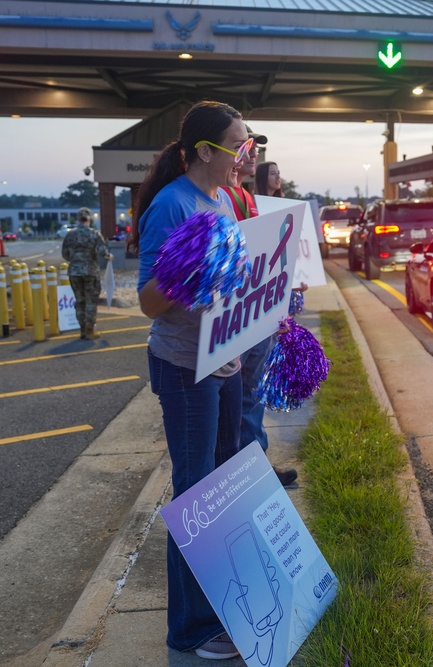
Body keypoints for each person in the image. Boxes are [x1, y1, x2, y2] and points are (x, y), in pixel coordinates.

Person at [133, 100, 251, 661]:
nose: (245, 158)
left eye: (250, 147)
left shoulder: (223, 199)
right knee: (195, 496)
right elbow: (148, 303)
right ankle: (191, 630)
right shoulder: (170, 205)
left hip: (224, 362)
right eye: (239, 147)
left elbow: (226, 279)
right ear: (206, 151)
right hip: (185, 369)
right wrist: (186, 268)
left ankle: (223, 605)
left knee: (223, 487)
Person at [222, 136, 299, 489]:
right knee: (238, 401)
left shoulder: (246, 197)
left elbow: (262, 256)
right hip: (234, 318)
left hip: (254, 312)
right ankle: (245, 475)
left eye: (255, 148)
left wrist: (277, 300)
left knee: (251, 396)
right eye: (244, 145)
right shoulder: (219, 195)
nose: (253, 152)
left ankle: (258, 468)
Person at [61, 206, 111, 340]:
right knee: (91, 301)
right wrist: (108, 256)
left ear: (78, 219)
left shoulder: (70, 234)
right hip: (90, 271)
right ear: (89, 219)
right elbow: (102, 252)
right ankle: (90, 330)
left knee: (79, 300)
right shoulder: (94, 234)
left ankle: (82, 329)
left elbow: (65, 254)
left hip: (74, 272)